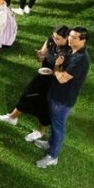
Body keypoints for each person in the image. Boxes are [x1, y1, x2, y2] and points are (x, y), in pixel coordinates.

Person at [0, 26, 69, 143]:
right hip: (43, 74)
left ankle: (40, 131)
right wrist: (40, 56)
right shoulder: (50, 41)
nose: (55, 40)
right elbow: (41, 57)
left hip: (55, 82)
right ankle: (13, 117)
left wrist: (56, 67)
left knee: (45, 106)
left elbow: (63, 72)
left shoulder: (68, 51)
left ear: (67, 39)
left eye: (58, 39)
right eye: (54, 37)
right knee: (27, 95)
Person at [35, 27, 90, 169]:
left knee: (58, 128)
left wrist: (57, 66)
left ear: (83, 40)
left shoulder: (81, 60)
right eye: (70, 36)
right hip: (55, 94)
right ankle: (50, 143)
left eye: (74, 37)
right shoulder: (72, 50)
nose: (70, 39)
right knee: (54, 124)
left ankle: (52, 156)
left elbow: (62, 78)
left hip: (63, 100)